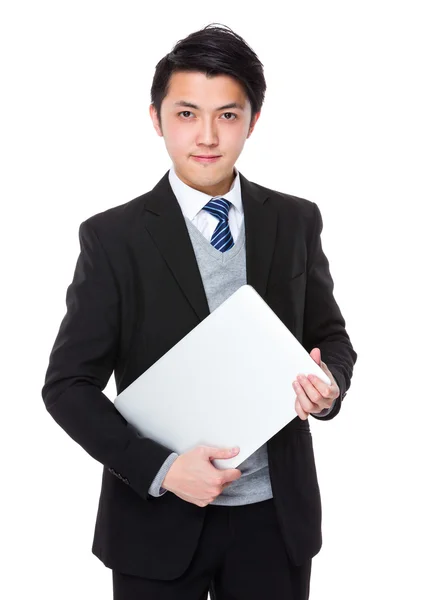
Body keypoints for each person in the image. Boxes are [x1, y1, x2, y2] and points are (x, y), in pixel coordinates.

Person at [41, 22, 357, 600]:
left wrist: (330, 382)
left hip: (274, 519)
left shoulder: (295, 221)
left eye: (228, 115)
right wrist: (162, 470)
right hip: (156, 520)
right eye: (187, 114)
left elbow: (330, 336)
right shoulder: (113, 238)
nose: (207, 136)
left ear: (253, 121)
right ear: (157, 119)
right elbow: (67, 387)